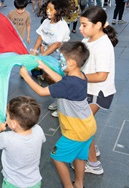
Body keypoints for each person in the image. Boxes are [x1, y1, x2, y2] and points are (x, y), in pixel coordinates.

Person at [20, 41, 96, 188]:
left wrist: (26, 76)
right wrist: (44, 67)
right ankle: (79, 184)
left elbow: (42, 92)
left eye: (61, 58)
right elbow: (61, 81)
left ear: (72, 63)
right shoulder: (79, 76)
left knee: (57, 158)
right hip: (88, 126)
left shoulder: (68, 84)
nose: (58, 60)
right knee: (80, 157)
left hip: (75, 132)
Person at [79, 6, 118, 175]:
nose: (80, 28)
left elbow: (102, 75)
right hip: (90, 89)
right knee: (85, 124)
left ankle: (93, 164)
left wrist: (78, 76)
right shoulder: (88, 39)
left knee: (83, 125)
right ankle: (92, 149)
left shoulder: (103, 45)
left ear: (98, 25)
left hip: (98, 92)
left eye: (84, 25)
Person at [0, 96, 45, 188]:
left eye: (7, 116)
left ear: (14, 124)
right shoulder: (38, 130)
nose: (6, 118)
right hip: (34, 182)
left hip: (13, 183)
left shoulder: (7, 138)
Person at [29, 0, 71, 92]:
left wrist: (42, 55)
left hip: (59, 54)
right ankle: (46, 79)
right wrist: (35, 50)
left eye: (51, 9)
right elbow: (40, 36)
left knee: (55, 76)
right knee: (47, 73)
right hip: (48, 51)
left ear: (59, 10)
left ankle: (59, 95)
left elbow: (57, 44)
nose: (48, 11)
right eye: (47, 8)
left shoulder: (62, 25)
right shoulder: (46, 22)